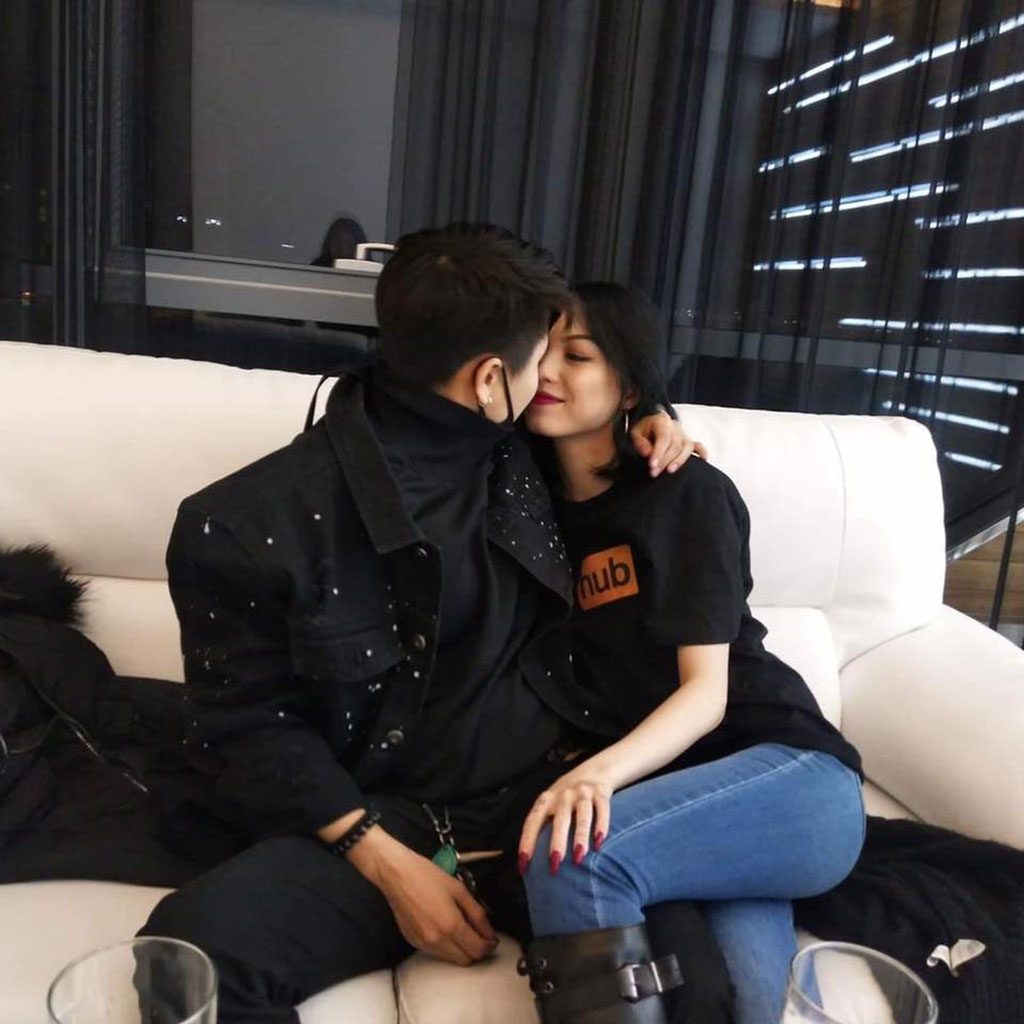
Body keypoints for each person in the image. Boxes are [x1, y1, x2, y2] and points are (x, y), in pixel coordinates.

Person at [138, 225, 698, 1023]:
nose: (548, 380)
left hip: (556, 799)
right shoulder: (244, 523)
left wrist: (655, 422)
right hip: (384, 818)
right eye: (540, 359)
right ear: (490, 378)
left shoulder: (526, 452)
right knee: (186, 957)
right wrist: (384, 861)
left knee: (689, 979)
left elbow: (609, 423)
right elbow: (246, 725)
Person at [516, 282, 866, 1024]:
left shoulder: (684, 492)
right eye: (539, 350)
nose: (545, 369)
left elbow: (707, 692)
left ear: (628, 386)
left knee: (569, 854)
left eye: (576, 355)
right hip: (686, 803)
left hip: (789, 775)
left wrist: (594, 776)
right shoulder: (526, 507)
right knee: (746, 1003)